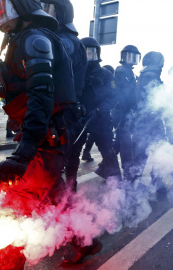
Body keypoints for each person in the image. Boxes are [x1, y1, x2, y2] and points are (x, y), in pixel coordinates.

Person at [0, 0, 84, 268]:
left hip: (47, 140)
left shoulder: (35, 39)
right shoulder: (23, 37)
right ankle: (85, 239)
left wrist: (22, 155)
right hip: (45, 137)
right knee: (57, 199)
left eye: (1, 8)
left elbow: (41, 97)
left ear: (21, 6)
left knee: (10, 217)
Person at [40, 0, 88, 193]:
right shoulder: (60, 38)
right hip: (57, 111)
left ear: (62, 13)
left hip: (60, 112)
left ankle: (63, 214)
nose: (43, 12)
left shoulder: (64, 41)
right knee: (50, 165)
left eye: (48, 8)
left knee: (51, 167)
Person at [77, 37, 122, 182]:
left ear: (97, 53)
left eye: (91, 52)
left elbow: (114, 96)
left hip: (100, 118)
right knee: (71, 155)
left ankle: (117, 185)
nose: (88, 55)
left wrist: (100, 110)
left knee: (108, 153)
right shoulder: (74, 72)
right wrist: (78, 107)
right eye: (85, 52)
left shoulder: (106, 74)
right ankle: (68, 193)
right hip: (79, 118)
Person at [130, 51, 167, 192]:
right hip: (152, 120)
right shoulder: (152, 76)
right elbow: (156, 100)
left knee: (140, 154)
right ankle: (156, 182)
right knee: (159, 151)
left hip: (142, 120)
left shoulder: (144, 75)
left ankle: (134, 183)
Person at [113, 45, 141, 181]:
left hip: (125, 112)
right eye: (129, 56)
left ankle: (104, 168)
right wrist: (134, 107)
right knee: (125, 145)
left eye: (134, 56)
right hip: (122, 113)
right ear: (123, 57)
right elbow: (126, 94)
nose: (132, 59)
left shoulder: (129, 72)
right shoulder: (122, 71)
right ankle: (127, 173)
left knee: (119, 143)